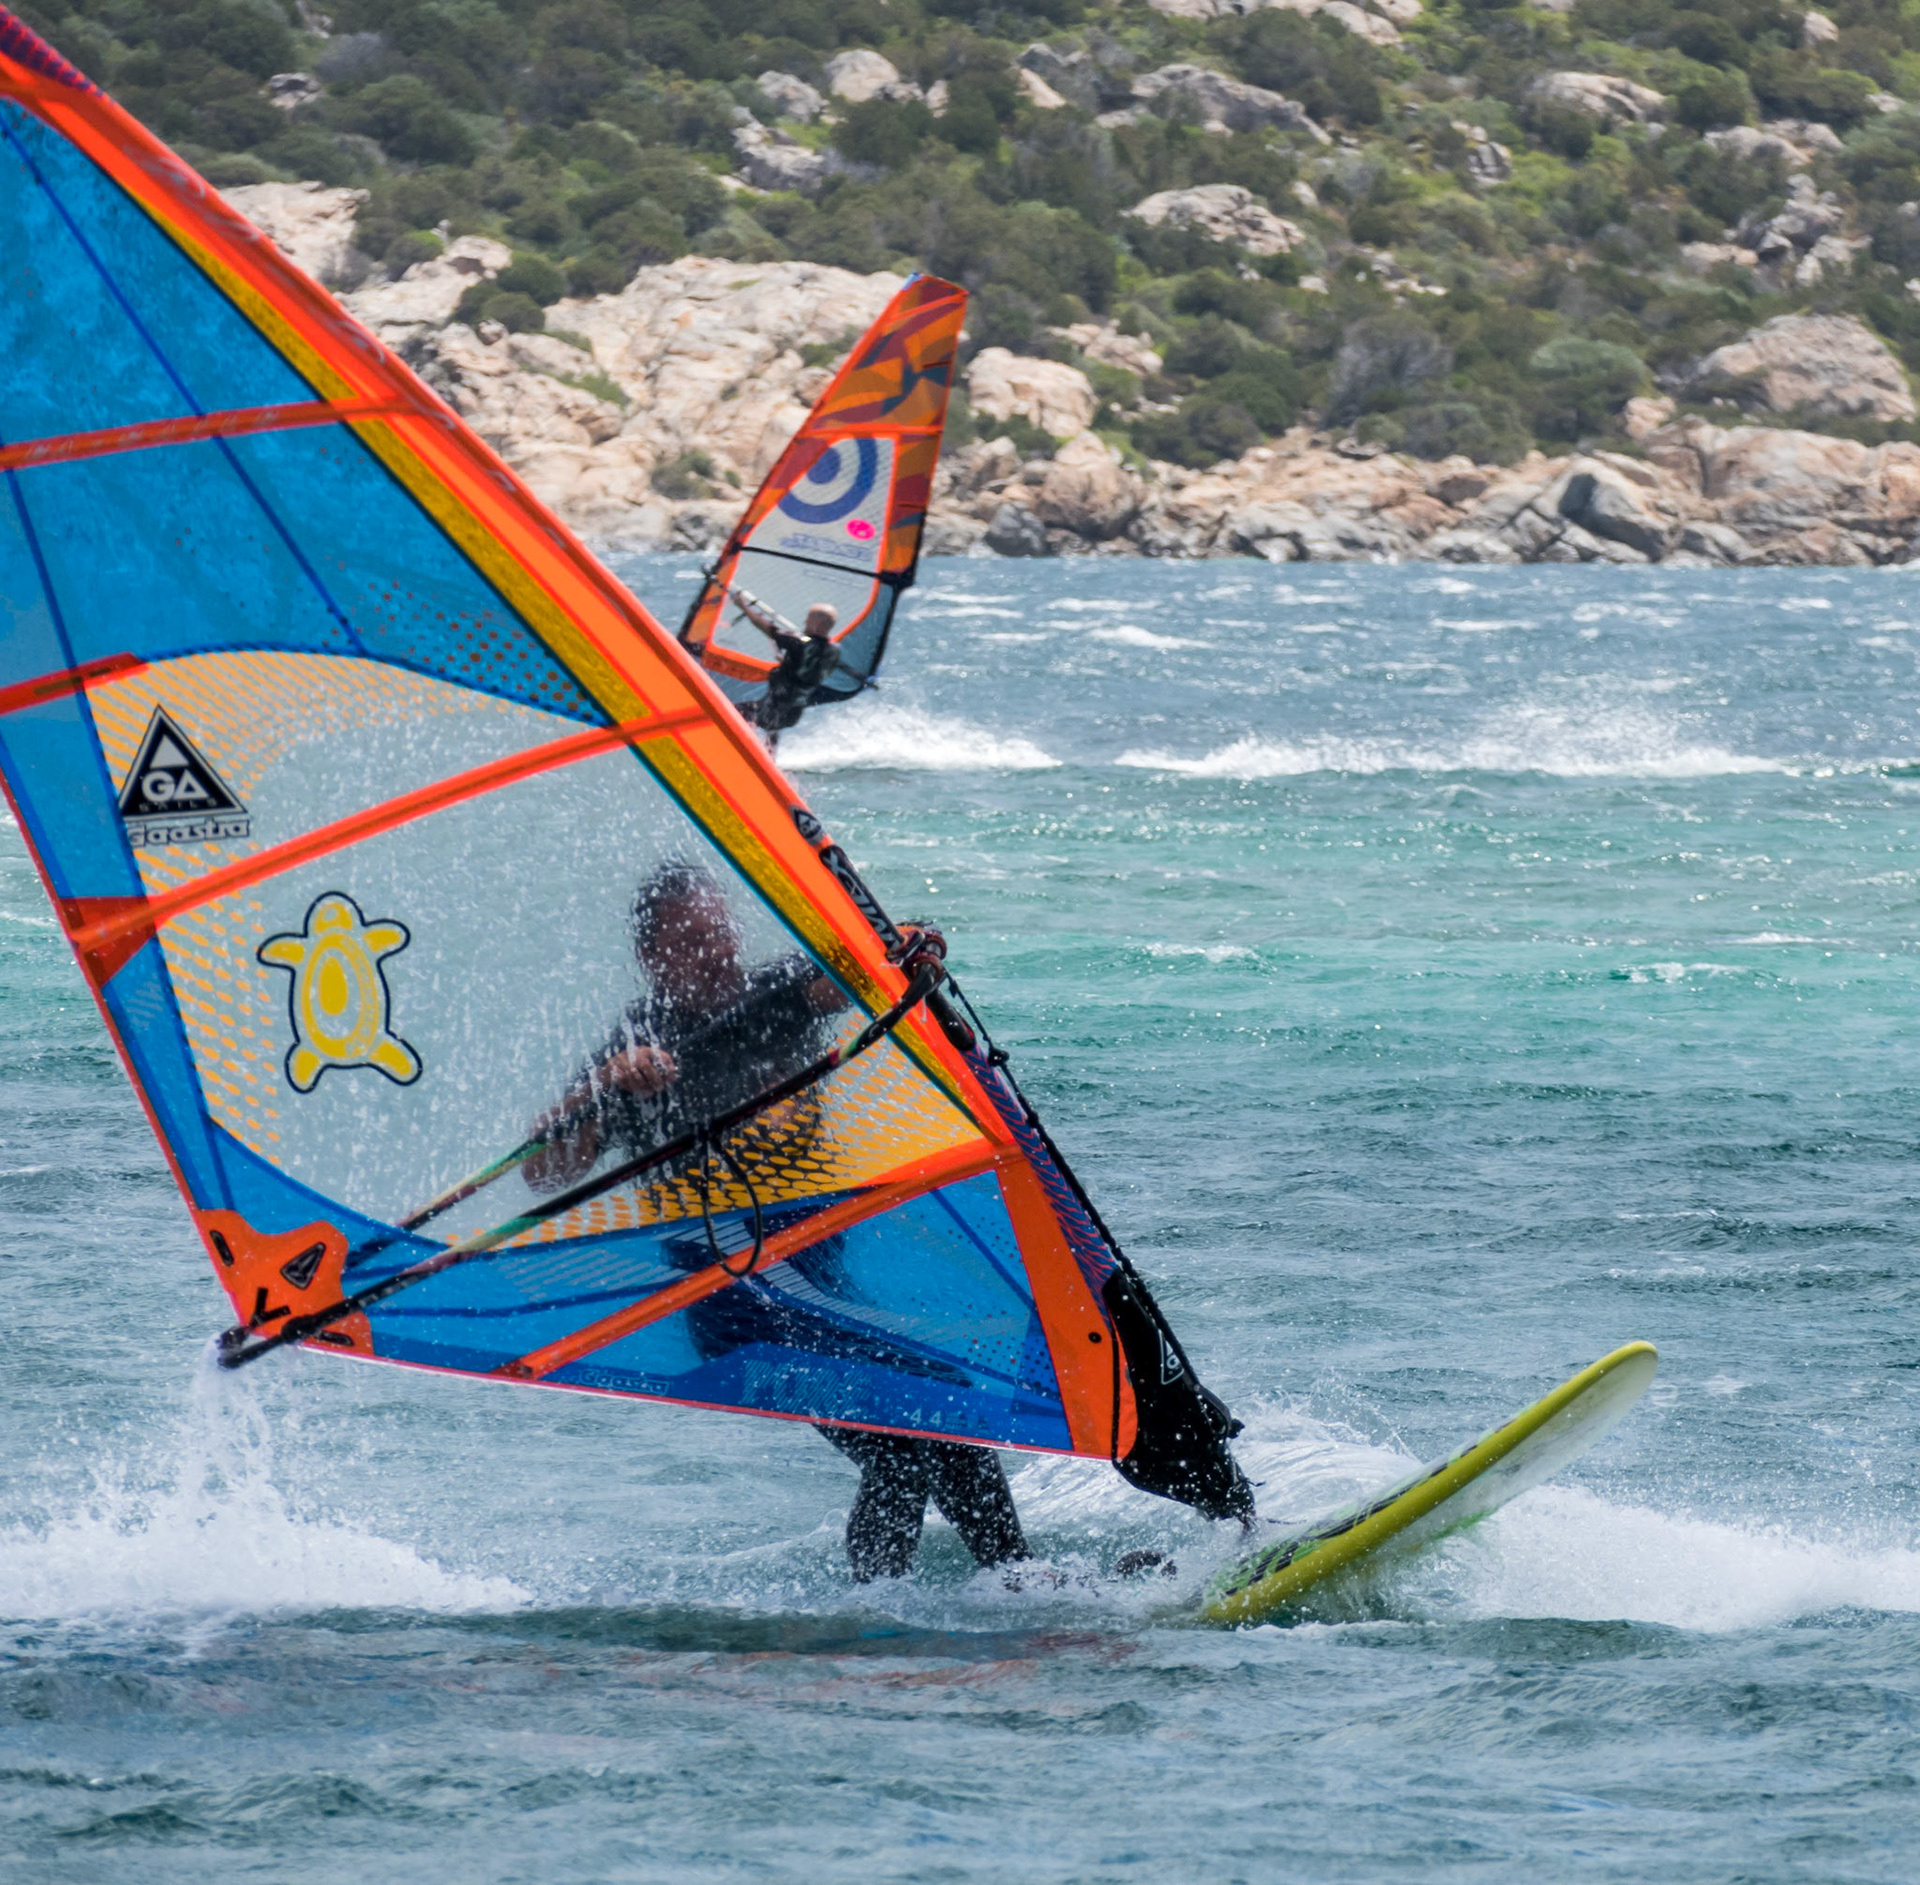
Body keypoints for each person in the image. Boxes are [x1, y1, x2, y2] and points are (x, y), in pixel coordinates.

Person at [527, 859, 1033, 1582]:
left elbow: (864, 967)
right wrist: (607, 1086)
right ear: (653, 957)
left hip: (813, 1281)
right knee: (909, 1425)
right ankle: (917, 1601)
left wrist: (913, 943)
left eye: (722, 931)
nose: (718, 952)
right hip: (736, 1298)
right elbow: (545, 1169)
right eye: (693, 941)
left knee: (927, 1413)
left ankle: (1002, 1579)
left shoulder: (773, 997)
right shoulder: (639, 1047)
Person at [737, 598, 841, 753]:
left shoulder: (799, 642)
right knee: (772, 730)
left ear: (816, 624)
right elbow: (816, 670)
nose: (805, 621)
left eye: (809, 619)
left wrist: (743, 606)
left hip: (772, 709)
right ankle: (768, 761)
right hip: (793, 713)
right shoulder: (834, 650)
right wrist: (789, 662)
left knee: (728, 712)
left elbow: (767, 628)